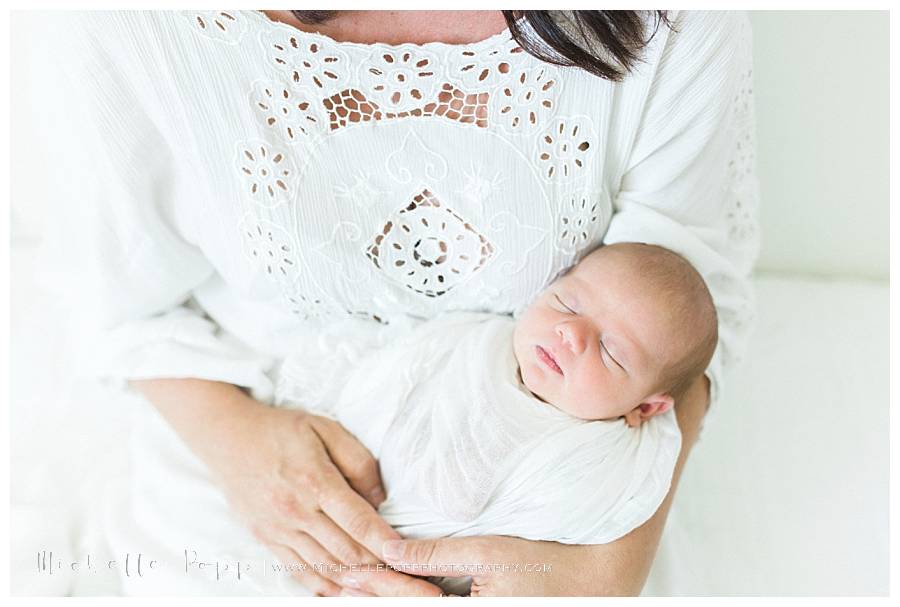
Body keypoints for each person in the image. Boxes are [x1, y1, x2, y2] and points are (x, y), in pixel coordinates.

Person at [41, 9, 759, 596]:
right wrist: (245, 452)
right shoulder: (127, 26)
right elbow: (119, 303)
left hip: (541, 521)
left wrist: (601, 571)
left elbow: (688, 301)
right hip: (251, 460)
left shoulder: (674, 20)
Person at [270, 242, 716, 595]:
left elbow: (570, 554)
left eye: (610, 351)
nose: (572, 334)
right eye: (567, 304)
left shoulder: (606, 459)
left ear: (646, 408)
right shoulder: (472, 341)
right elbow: (386, 374)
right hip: (333, 513)